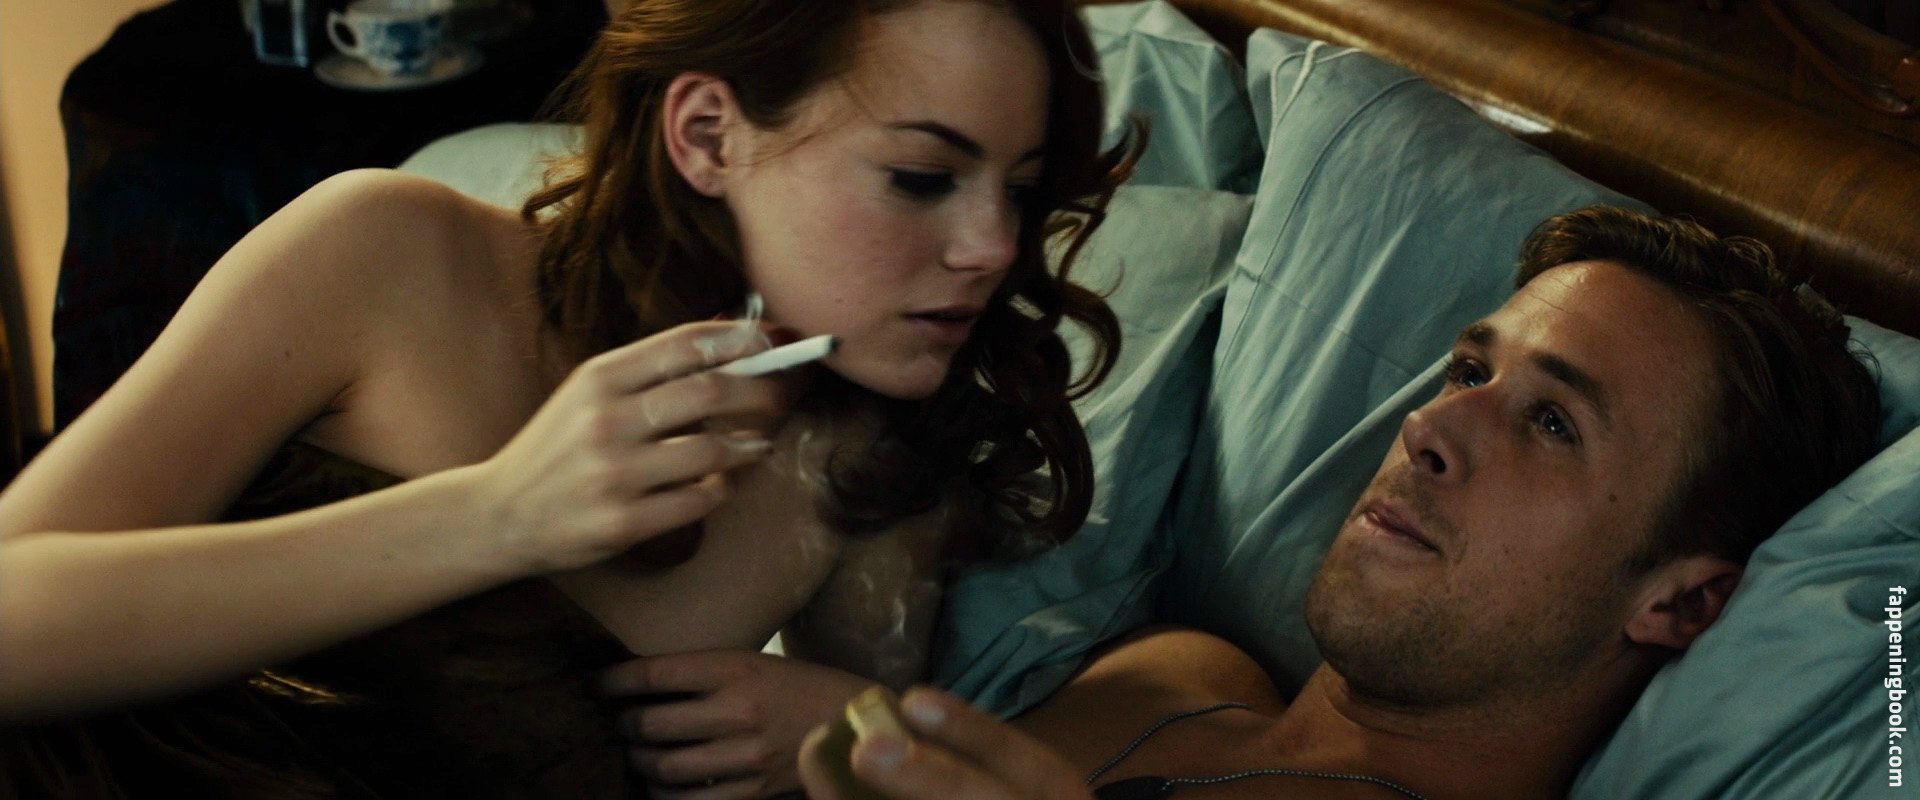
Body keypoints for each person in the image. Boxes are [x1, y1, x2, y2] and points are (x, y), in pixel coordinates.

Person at [0, 1, 1139, 796]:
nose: (994, 245)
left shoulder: (867, 467)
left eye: (1021, 190)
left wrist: (839, 729)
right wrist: (496, 515)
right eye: (922, 177)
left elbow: (876, 762)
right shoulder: (390, 253)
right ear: (708, 135)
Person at [794, 206, 1885, 800]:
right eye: (1469, 371)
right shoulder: (1183, 673)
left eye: (1554, 424)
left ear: (1682, 602)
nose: (1429, 428)